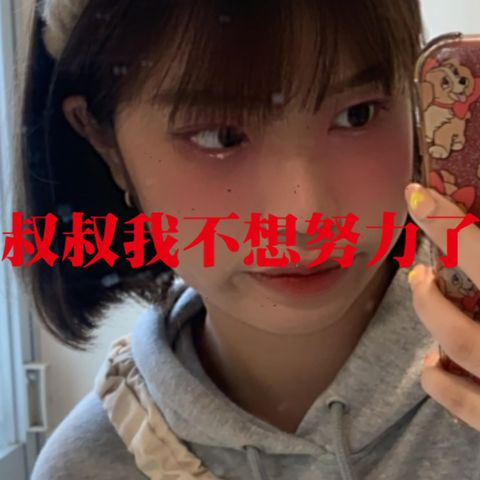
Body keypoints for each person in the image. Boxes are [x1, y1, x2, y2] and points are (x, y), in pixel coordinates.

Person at [15, 0, 480, 479]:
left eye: (357, 115)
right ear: (104, 141)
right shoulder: (85, 468)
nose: (304, 215)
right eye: (219, 136)